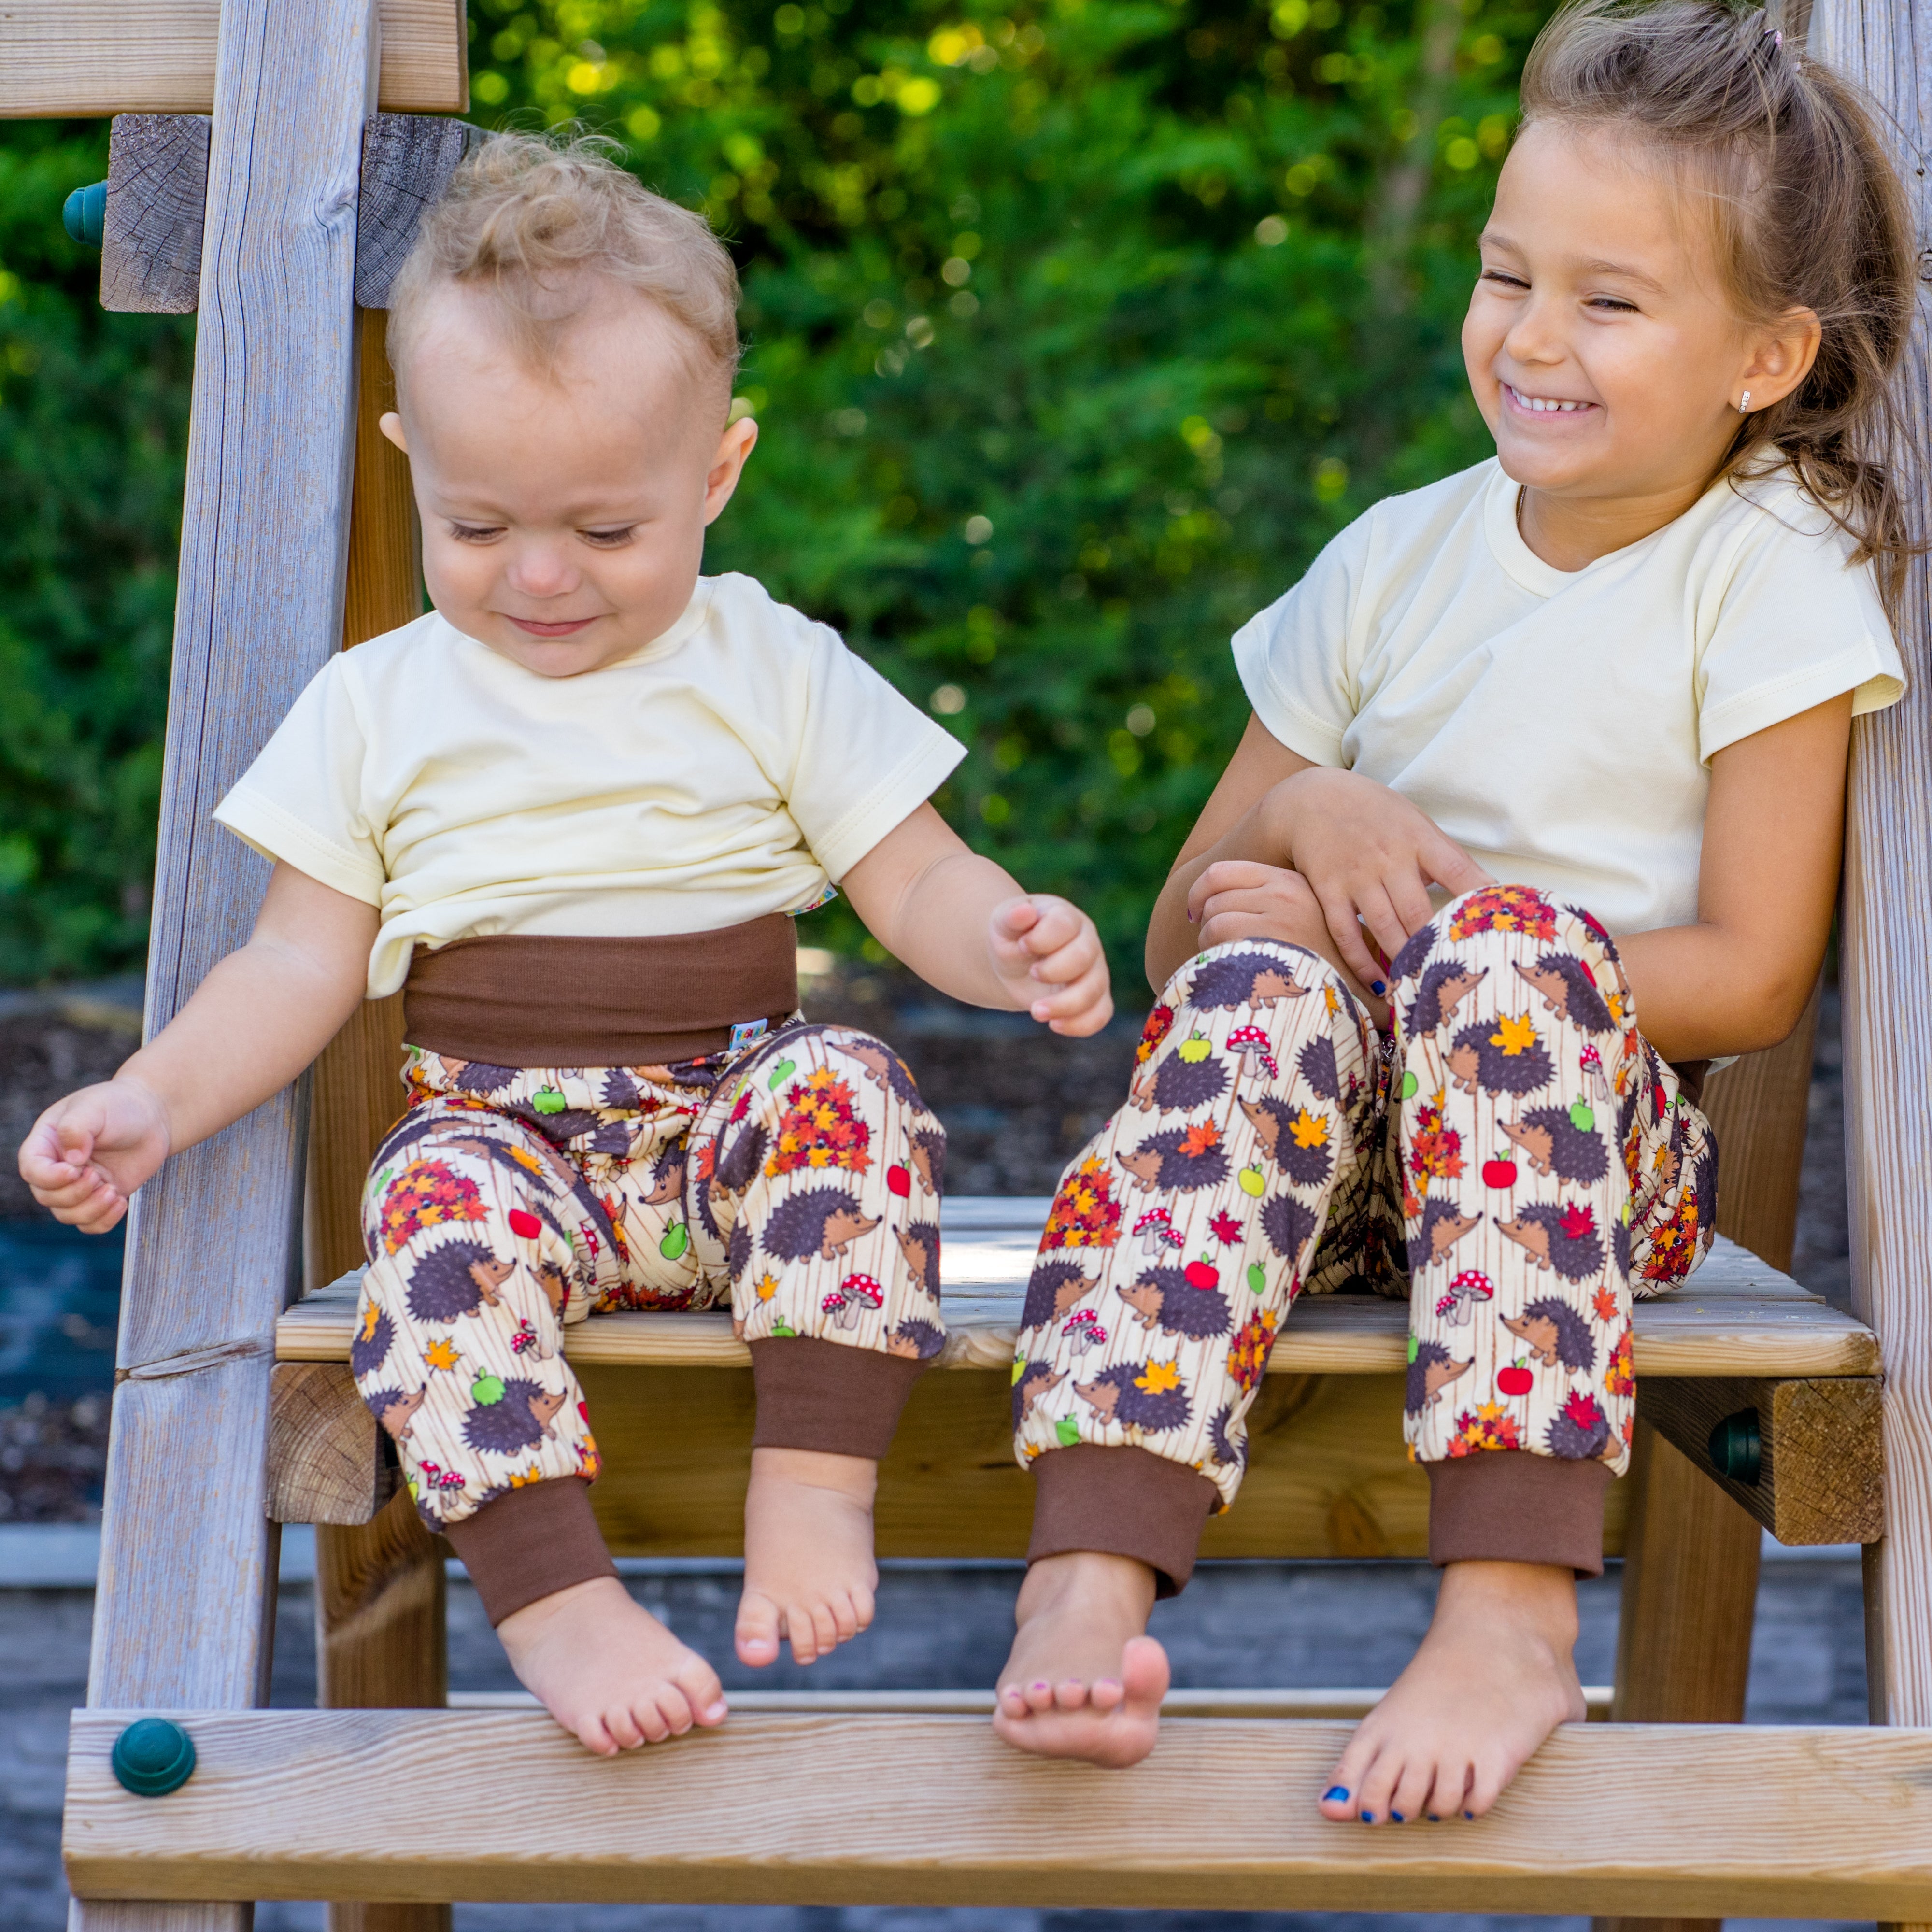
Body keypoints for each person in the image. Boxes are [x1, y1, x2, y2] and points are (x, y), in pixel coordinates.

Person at [18, 133, 1112, 1758]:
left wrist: (1009, 943)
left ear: (718, 475)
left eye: (606, 533)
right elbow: (295, 968)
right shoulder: (379, 705)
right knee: (422, 1222)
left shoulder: (770, 665)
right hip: (503, 1143)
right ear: (408, 460)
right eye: (479, 527)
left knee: (858, 1088)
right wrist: (155, 1099)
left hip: (733, 1127)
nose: (540, 578)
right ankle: (556, 1600)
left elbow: (914, 878)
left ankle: (813, 1487)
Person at [993, 0, 1913, 1821]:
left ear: (1764, 354)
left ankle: (1508, 1613)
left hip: (1576, 1167)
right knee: (1256, 999)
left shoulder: (1773, 568)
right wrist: (1318, 816)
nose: (1532, 338)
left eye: (1612, 299)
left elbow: (1748, 976)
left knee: (1499, 966)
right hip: (1327, 1169)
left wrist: (1455, 941)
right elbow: (1184, 937)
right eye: (1508, 275)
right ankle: (1086, 1566)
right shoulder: (1393, 559)